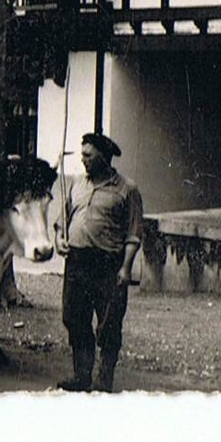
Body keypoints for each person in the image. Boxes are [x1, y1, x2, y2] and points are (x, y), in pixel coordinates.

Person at [54, 131, 143, 392]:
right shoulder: (76, 184)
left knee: (109, 322)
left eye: (88, 156)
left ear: (104, 158)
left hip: (108, 264)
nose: (83, 160)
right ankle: (81, 375)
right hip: (77, 261)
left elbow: (134, 233)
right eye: (82, 155)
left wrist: (126, 268)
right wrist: (60, 238)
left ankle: (104, 378)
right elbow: (63, 219)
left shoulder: (127, 189)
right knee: (74, 317)